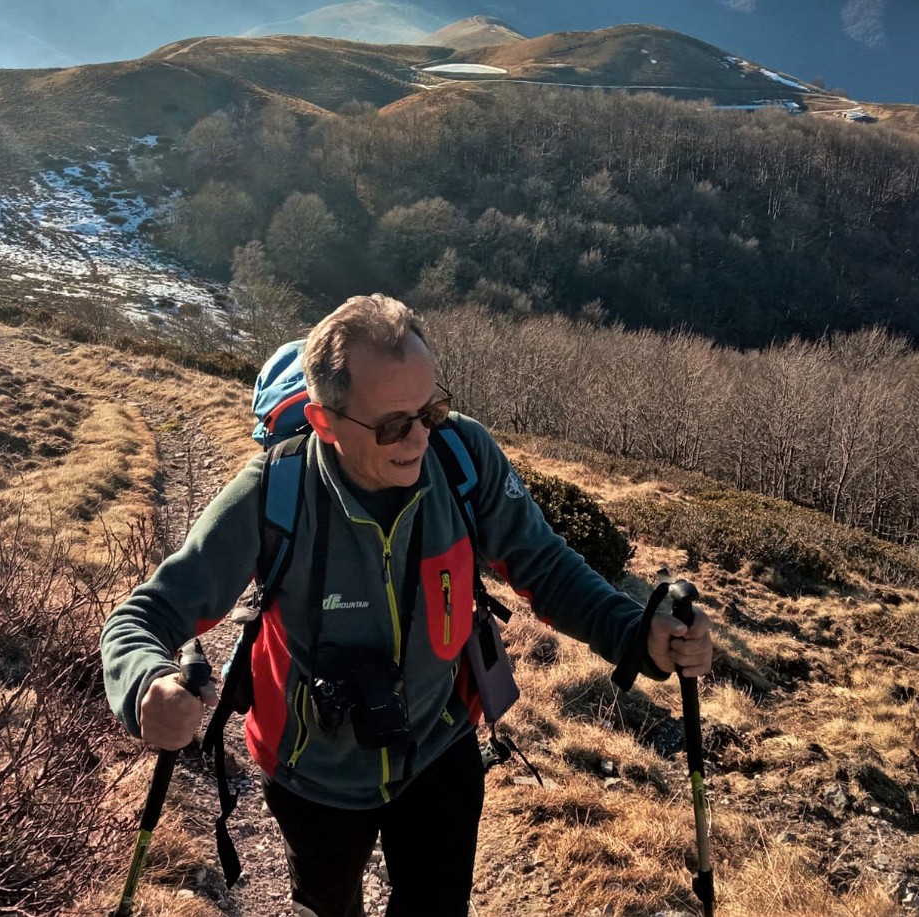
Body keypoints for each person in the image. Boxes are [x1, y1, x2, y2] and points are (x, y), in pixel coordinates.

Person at [102, 294, 713, 917]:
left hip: (439, 747)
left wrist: (636, 633)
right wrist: (146, 685)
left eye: (431, 410)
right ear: (324, 422)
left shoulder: (462, 457)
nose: (420, 436)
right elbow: (144, 616)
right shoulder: (272, 496)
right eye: (394, 424)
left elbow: (545, 566)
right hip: (313, 775)